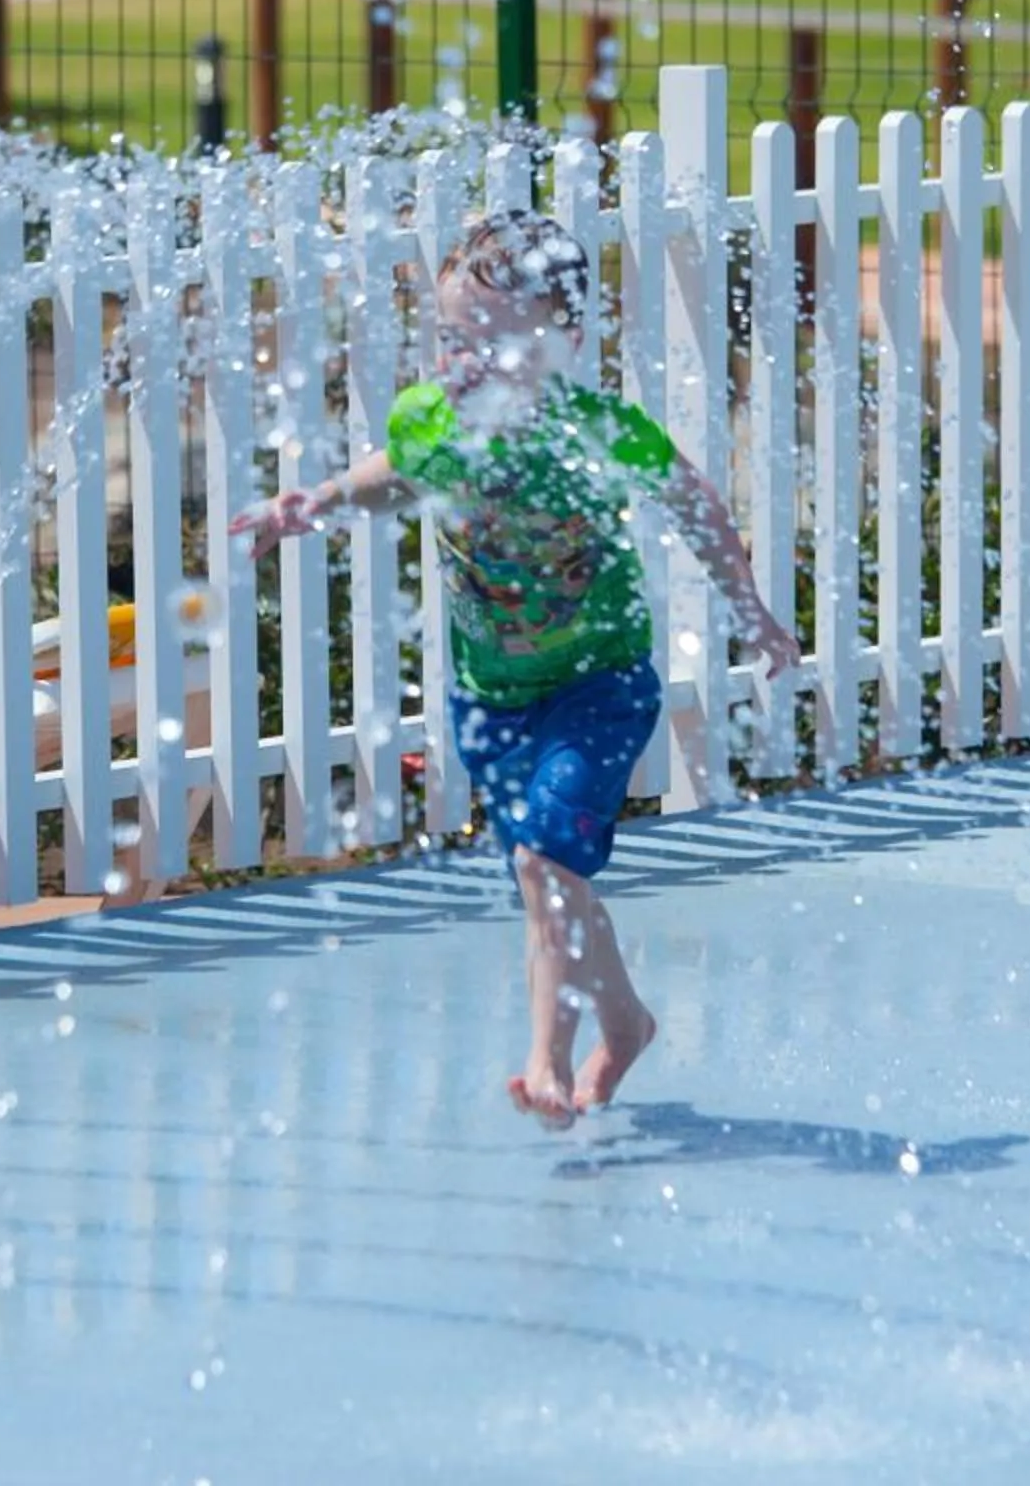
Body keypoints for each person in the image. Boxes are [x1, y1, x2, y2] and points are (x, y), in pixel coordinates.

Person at [232, 208, 801, 1129]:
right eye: (455, 338)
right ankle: (625, 1017)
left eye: (496, 343)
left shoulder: (594, 431)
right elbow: (398, 472)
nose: (468, 361)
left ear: (564, 341)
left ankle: (546, 1058)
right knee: (555, 880)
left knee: (540, 863)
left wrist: (753, 614)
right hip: (488, 702)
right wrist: (319, 501)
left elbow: (694, 505)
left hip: (599, 688)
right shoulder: (432, 416)